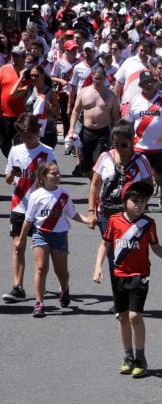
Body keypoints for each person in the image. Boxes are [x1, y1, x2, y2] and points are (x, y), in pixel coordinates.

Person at [93, 181, 162, 378]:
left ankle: (140, 357)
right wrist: (98, 267)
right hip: (118, 275)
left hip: (139, 275)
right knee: (122, 317)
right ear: (124, 202)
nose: (139, 205)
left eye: (142, 201)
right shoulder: (114, 220)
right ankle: (128, 356)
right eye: (134, 201)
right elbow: (104, 245)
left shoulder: (148, 223)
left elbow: (155, 247)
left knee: (134, 316)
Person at [19, 162, 87, 317]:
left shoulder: (64, 194)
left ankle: (64, 289)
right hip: (41, 233)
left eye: (58, 173)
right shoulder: (36, 195)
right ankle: (39, 303)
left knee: (61, 271)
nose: (57, 176)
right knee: (41, 267)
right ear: (43, 177)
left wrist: (87, 220)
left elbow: (72, 213)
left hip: (59, 235)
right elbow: (28, 219)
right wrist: (21, 239)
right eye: (53, 174)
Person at [3, 114, 57, 303]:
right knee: (18, 246)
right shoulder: (15, 151)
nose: (27, 140)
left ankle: (42, 283)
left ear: (37, 133)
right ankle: (18, 287)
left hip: (40, 208)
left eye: (30, 136)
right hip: (19, 205)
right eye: (24, 137)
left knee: (41, 251)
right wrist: (11, 175)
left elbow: (54, 181)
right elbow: (9, 179)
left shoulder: (47, 152)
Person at [123, 71, 162, 209]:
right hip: (140, 147)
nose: (148, 84)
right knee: (142, 176)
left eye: (151, 81)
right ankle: (144, 199)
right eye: (145, 82)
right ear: (141, 85)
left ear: (155, 82)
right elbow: (129, 123)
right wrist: (128, 142)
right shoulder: (135, 100)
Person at [68, 67, 120, 180]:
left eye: (101, 79)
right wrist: (72, 128)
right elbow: (75, 111)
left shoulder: (111, 95)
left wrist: (117, 134)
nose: (98, 81)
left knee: (98, 161)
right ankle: (94, 182)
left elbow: (116, 117)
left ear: (105, 78)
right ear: (92, 77)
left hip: (103, 132)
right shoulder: (84, 92)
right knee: (84, 165)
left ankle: (96, 186)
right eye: (96, 78)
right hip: (86, 131)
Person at [11, 64, 60, 149]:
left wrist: (50, 106)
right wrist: (20, 78)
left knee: (44, 160)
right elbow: (12, 94)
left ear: (42, 76)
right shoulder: (28, 89)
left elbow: (57, 113)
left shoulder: (50, 92)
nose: (33, 78)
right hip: (30, 130)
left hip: (46, 131)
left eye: (36, 75)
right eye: (31, 76)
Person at [0, 46, 27, 157]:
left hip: (21, 114)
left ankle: (18, 165)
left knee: (20, 143)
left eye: (17, 56)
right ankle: (13, 162)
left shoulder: (29, 73)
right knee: (4, 142)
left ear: (24, 58)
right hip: (4, 113)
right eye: (13, 55)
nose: (14, 58)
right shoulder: (3, 69)